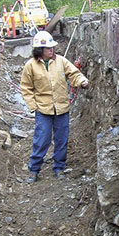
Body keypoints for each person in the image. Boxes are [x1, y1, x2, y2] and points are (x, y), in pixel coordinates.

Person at [20, 31, 89, 183]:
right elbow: (26, 88)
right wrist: (33, 106)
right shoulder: (30, 66)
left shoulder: (61, 61)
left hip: (62, 108)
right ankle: (34, 169)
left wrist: (82, 81)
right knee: (42, 139)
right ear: (39, 50)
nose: (51, 50)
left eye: (52, 47)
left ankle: (59, 167)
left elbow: (74, 73)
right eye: (48, 48)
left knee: (61, 139)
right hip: (43, 110)